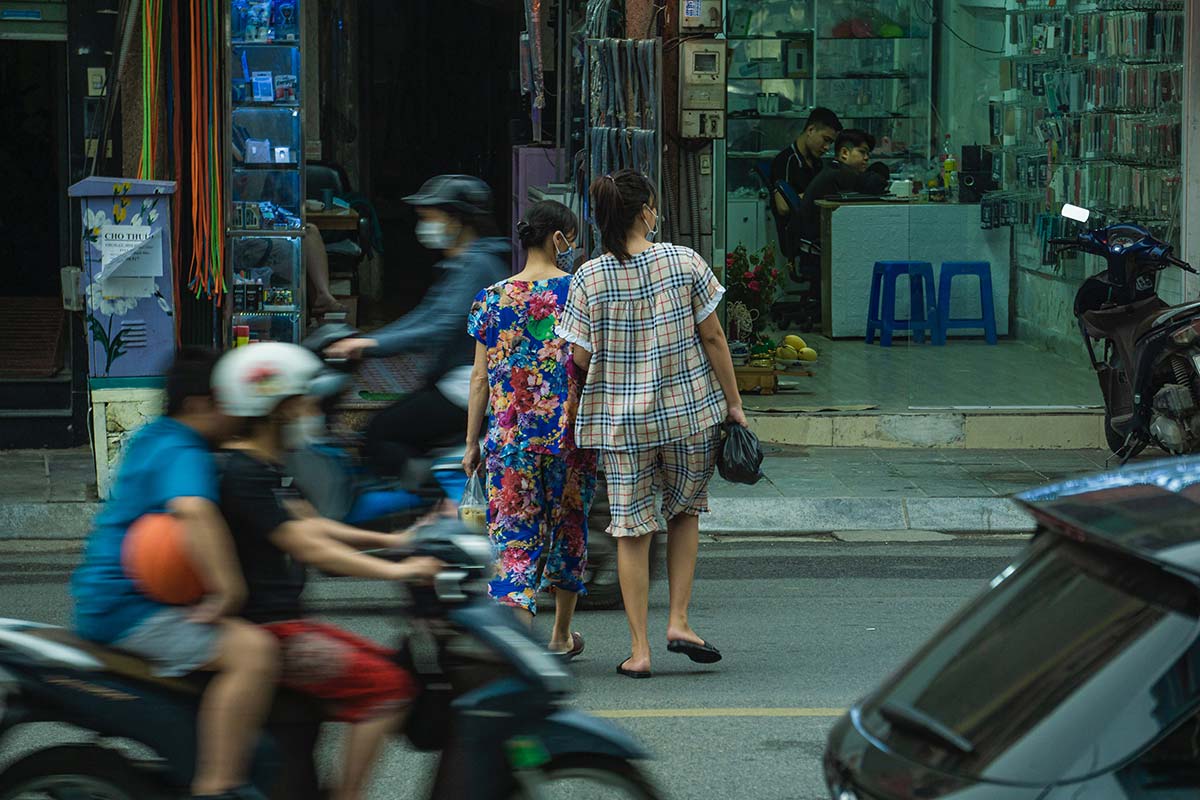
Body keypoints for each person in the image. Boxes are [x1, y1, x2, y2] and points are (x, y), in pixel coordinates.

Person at [211, 342, 444, 800]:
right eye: (302, 401)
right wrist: (400, 571)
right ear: (273, 407)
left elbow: (314, 525)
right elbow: (309, 548)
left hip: (286, 623)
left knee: (387, 664)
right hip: (270, 631)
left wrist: (398, 540)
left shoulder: (268, 466)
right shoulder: (243, 472)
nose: (311, 411)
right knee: (390, 686)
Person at [556, 169, 747, 679]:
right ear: (645, 212)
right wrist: (735, 404)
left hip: (621, 426)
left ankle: (639, 651)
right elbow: (714, 339)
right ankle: (679, 622)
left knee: (631, 532)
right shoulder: (684, 261)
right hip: (689, 416)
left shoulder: (589, 277)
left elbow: (577, 356)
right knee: (684, 514)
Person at [71, 348, 277, 800]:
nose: (237, 413)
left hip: (106, 599)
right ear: (199, 405)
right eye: (228, 401)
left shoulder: (153, 437)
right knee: (254, 652)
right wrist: (228, 591)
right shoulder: (185, 450)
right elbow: (194, 511)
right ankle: (218, 784)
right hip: (129, 609)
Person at [463, 200, 596, 658]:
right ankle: (560, 637)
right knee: (570, 531)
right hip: (569, 437)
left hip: (509, 440)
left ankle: (518, 648)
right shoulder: (580, 293)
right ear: (559, 239)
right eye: (572, 236)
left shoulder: (490, 298)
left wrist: (470, 444)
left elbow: (479, 378)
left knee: (516, 540)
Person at [324, 175, 510, 479]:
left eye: (429, 217)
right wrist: (369, 341)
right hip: (451, 378)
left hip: (467, 385)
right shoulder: (463, 263)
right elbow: (424, 316)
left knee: (382, 433)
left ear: (457, 220)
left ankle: (434, 500)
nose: (424, 225)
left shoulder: (479, 266)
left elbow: (441, 325)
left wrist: (372, 345)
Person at [769, 107, 842, 258]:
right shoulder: (786, 161)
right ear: (810, 130)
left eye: (831, 143)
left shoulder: (817, 163)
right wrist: (813, 195)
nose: (827, 147)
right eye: (825, 139)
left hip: (818, 229)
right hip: (799, 237)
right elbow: (782, 206)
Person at [797, 128, 891, 245]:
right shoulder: (839, 173)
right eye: (862, 152)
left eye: (868, 154)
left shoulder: (833, 169)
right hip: (820, 251)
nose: (866, 158)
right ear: (845, 153)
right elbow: (875, 183)